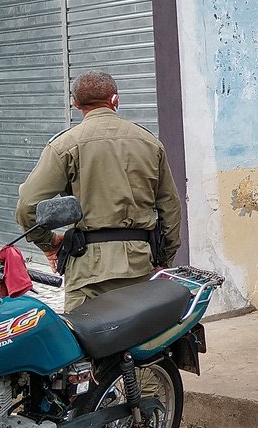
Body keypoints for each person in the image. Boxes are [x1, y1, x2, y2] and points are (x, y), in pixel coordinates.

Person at [16, 70, 182, 312]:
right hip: (140, 263)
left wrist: (49, 244)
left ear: (75, 103)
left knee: (85, 342)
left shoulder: (64, 145)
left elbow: (27, 206)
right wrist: (163, 259)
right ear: (115, 100)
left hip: (88, 272)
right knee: (142, 341)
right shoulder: (149, 142)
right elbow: (170, 207)